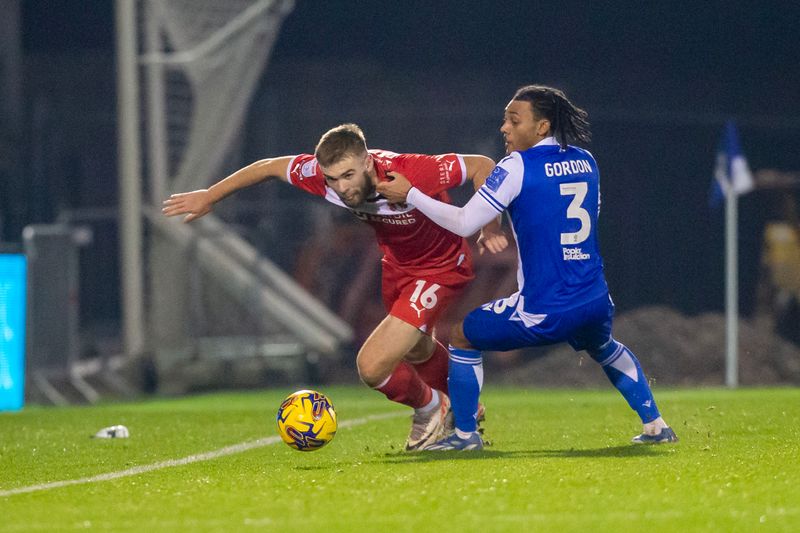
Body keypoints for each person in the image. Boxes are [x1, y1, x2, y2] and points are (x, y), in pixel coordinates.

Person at [162, 123, 500, 450]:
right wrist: (210, 196)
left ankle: (431, 409)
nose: (341, 187)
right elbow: (267, 167)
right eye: (333, 179)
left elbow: (482, 166)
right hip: (398, 268)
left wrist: (491, 225)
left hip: (440, 267)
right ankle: (463, 404)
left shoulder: (409, 170)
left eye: (349, 175)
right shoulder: (319, 178)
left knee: (372, 366)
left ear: (367, 163)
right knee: (416, 349)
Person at [377, 85, 678, 450]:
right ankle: (656, 424)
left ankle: (465, 434)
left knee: (461, 334)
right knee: (603, 346)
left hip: (547, 307)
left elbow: (462, 223)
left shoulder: (518, 165)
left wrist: (410, 195)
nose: (504, 127)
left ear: (541, 127)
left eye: (513, 120)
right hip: (595, 298)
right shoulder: (587, 160)